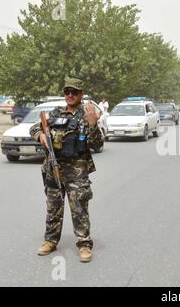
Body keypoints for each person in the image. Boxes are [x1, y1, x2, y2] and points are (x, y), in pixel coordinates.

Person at [30, 78, 103, 263]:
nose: (70, 95)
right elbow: (34, 127)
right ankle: (50, 240)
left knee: (79, 209)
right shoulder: (55, 114)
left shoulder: (87, 115)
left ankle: (84, 244)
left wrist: (93, 125)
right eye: (67, 91)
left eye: (74, 92)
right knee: (53, 207)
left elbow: (97, 144)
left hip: (77, 172)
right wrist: (39, 135)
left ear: (81, 94)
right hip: (53, 169)